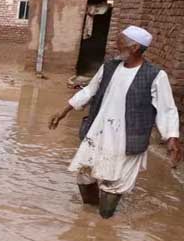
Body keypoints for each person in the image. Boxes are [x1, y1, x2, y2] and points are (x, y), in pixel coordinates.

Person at [49, 26, 182, 218]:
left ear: (135, 47)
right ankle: (86, 220)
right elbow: (89, 91)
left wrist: (172, 138)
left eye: (120, 42)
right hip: (98, 132)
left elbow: (166, 109)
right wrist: (63, 111)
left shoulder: (155, 76)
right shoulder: (109, 67)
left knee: (115, 184)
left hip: (127, 139)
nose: (115, 45)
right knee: (85, 176)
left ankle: (104, 223)